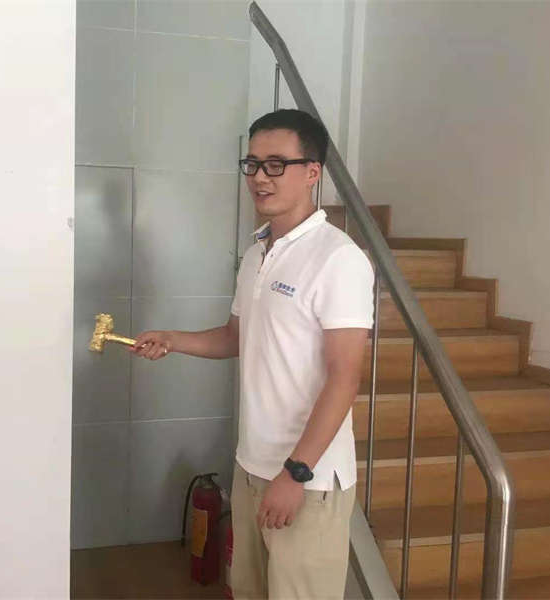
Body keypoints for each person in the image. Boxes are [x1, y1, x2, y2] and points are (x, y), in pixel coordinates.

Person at [130, 109, 374, 600]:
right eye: (253, 163)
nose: (260, 177)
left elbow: (345, 378)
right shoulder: (257, 252)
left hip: (307, 478)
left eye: (276, 164)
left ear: (312, 172)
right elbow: (235, 337)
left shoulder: (338, 258)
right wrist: (174, 339)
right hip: (252, 465)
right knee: (246, 591)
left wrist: (295, 473)